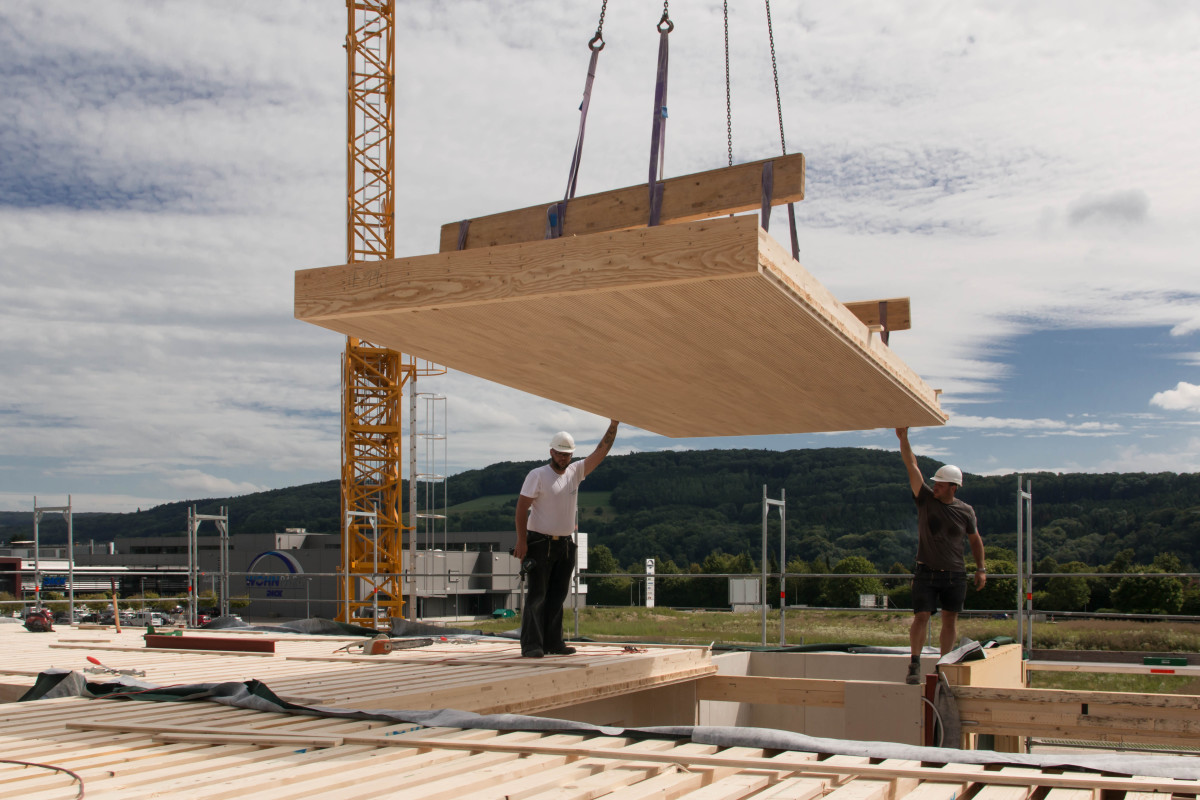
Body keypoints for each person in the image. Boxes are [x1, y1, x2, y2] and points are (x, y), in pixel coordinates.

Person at [515, 419, 619, 658]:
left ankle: (553, 642)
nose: (563, 458)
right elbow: (521, 509)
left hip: (564, 544)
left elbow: (600, 452)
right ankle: (532, 645)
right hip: (539, 543)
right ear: (551, 452)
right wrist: (522, 541)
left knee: (557, 596)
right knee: (537, 595)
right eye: (560, 454)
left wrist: (614, 424)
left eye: (567, 454)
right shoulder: (537, 475)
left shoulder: (576, 471)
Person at [896, 427, 986, 685]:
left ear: (953, 487)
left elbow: (975, 539)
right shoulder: (925, 499)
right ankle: (914, 664)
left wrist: (981, 569)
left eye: (940, 484)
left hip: (956, 575)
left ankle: (943, 665)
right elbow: (912, 465)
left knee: (950, 618)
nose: (934, 486)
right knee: (921, 616)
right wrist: (904, 439)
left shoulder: (966, 511)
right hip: (926, 572)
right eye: (934, 483)